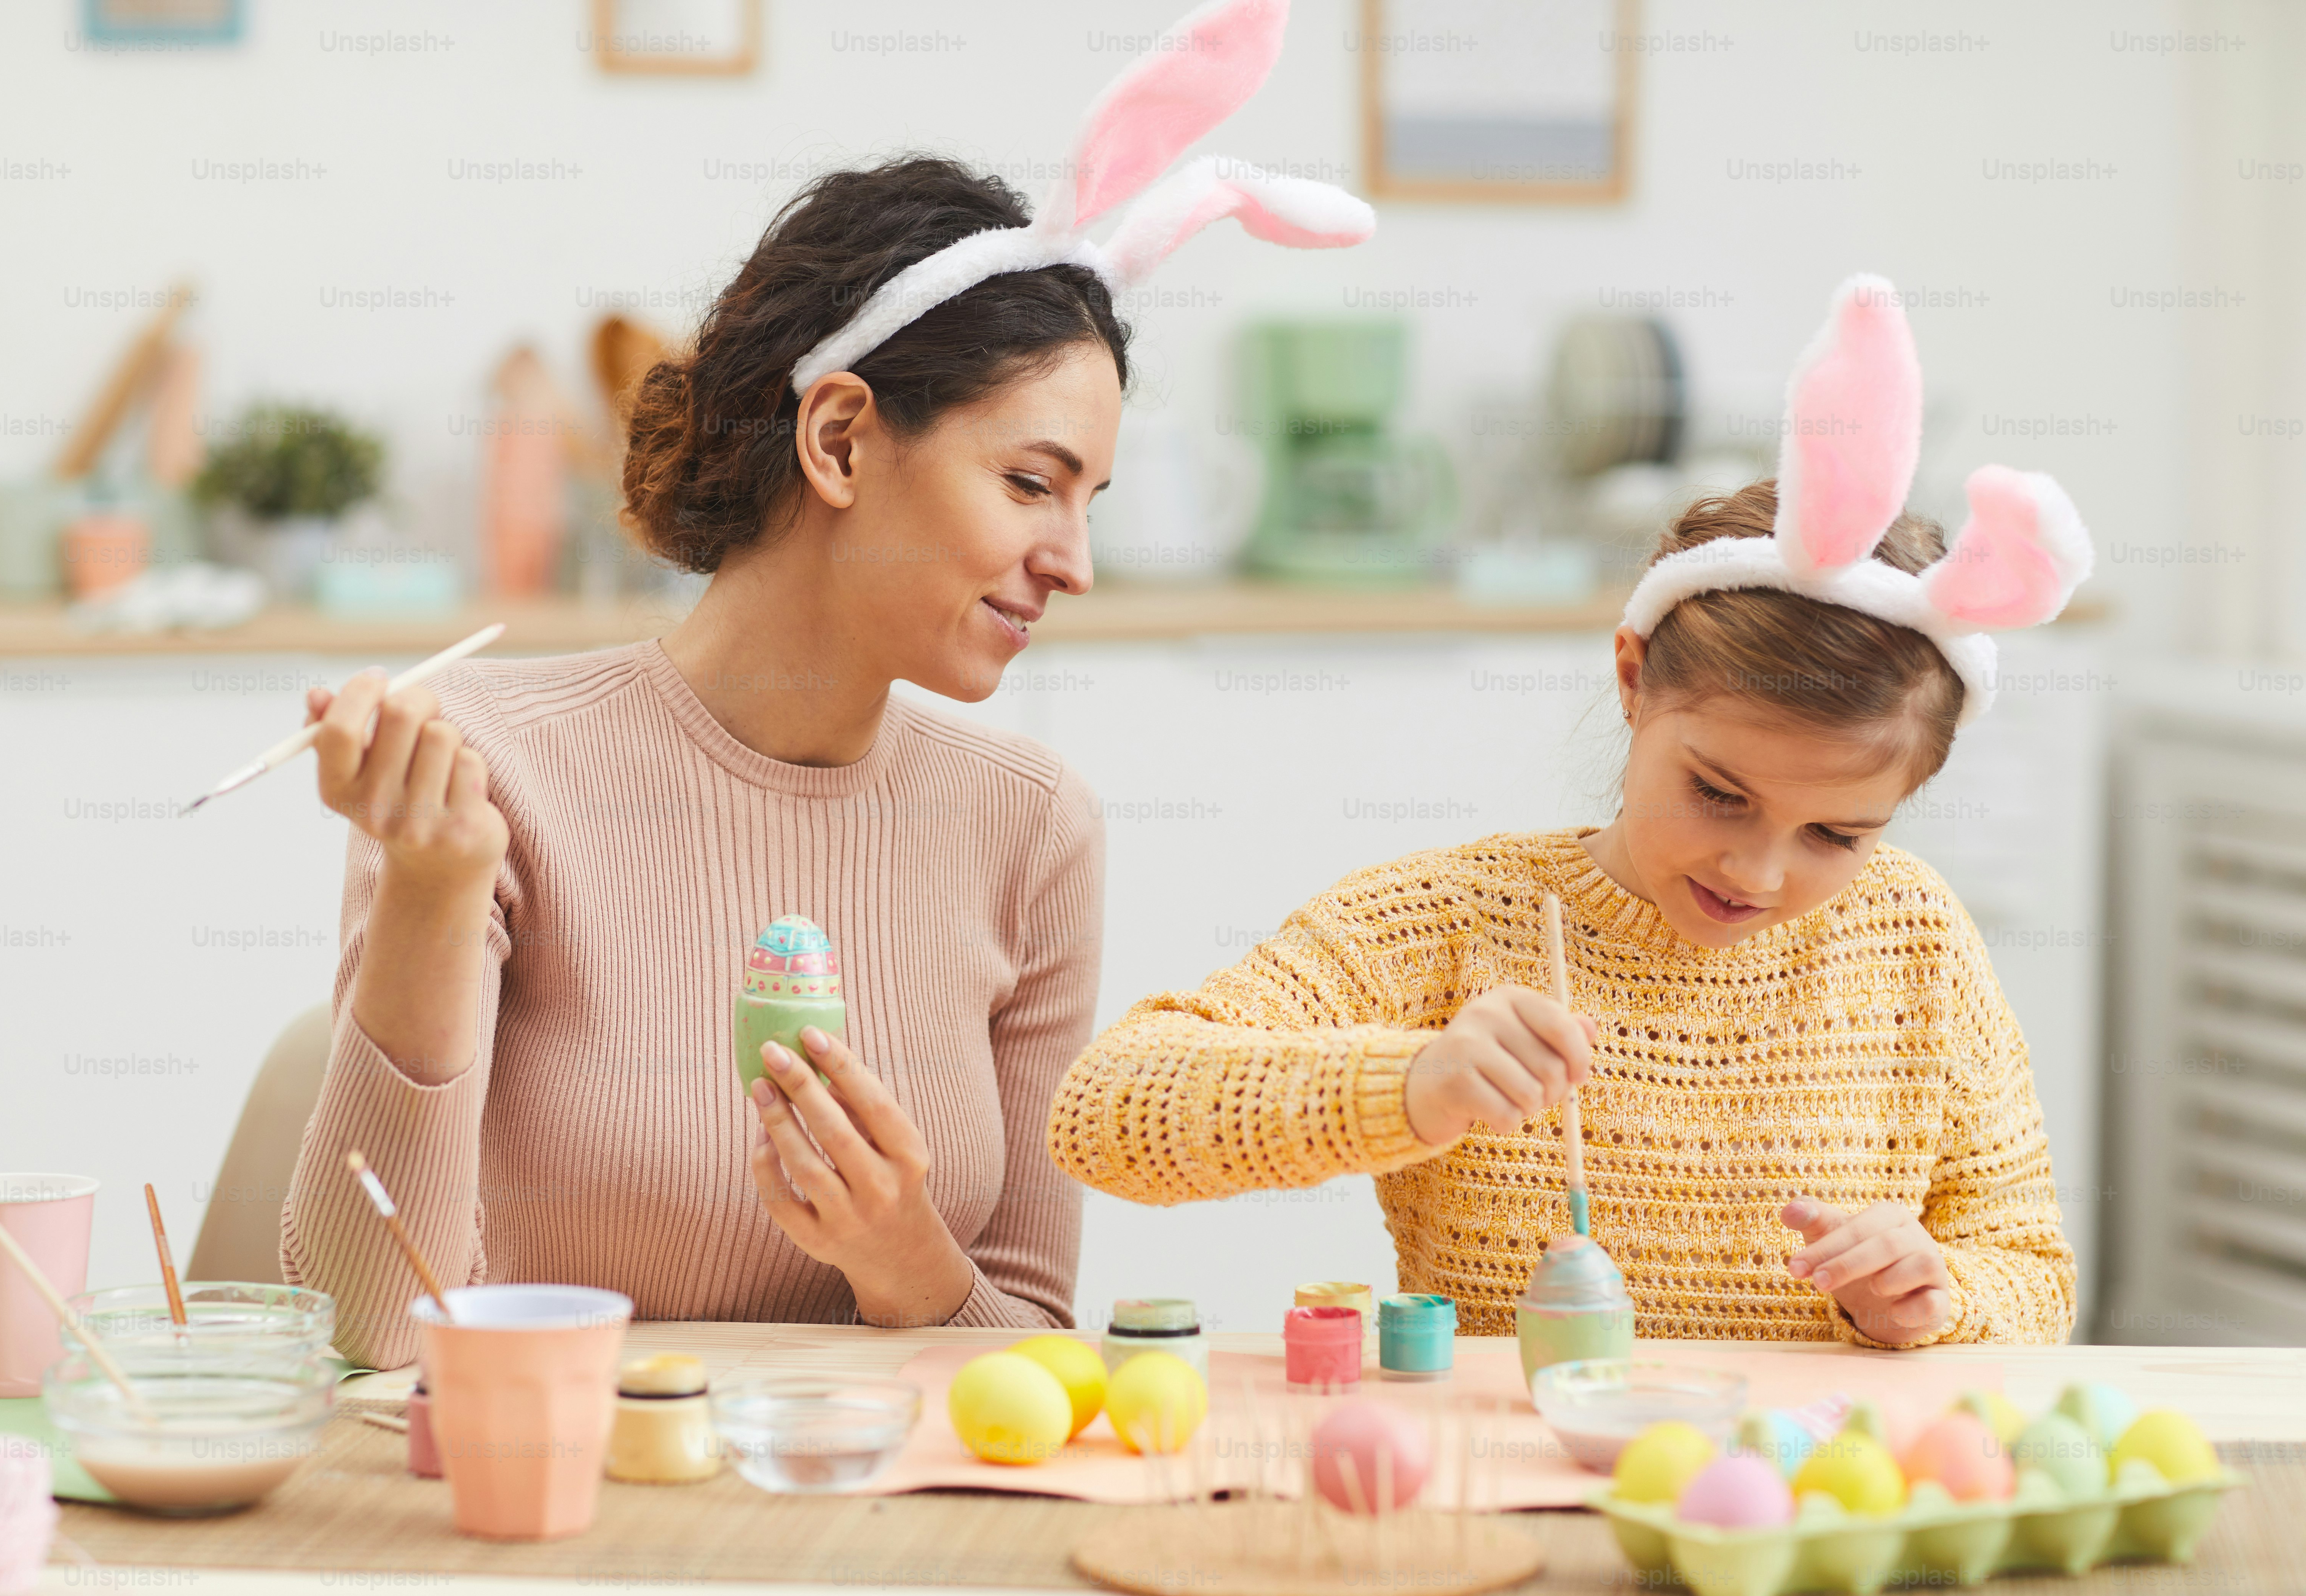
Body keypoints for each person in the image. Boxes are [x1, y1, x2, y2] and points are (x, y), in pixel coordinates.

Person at [1048, 277, 2088, 1348]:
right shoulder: (1453, 922)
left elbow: (2034, 1278)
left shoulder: (1915, 940)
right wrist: (1412, 1083)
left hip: (1806, 1495)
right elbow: (1109, 1113)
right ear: (1633, 679)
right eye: (1719, 794)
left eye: (1838, 836)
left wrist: (1941, 1296)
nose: (1760, 871)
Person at [279, 159, 1126, 1365]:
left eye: (1090, 501)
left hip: (873, 1516)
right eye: (1031, 484)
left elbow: (1035, 1359)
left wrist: (907, 1264)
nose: (1074, 563)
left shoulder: (1034, 830)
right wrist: (430, 890)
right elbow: (369, 1329)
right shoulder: (485, 776)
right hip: (568, 1503)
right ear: (839, 441)